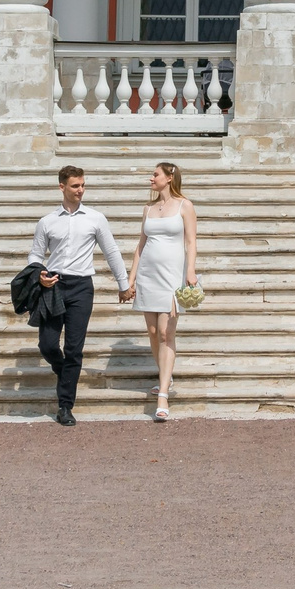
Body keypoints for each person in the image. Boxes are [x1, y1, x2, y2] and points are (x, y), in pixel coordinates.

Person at [28, 165, 132, 425]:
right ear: (61, 186)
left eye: (83, 185)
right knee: (47, 345)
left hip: (82, 287)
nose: (80, 190)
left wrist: (123, 283)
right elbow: (35, 255)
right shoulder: (47, 222)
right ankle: (66, 373)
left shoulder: (95, 218)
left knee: (74, 349)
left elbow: (111, 251)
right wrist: (39, 274)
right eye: (75, 186)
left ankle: (65, 406)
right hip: (53, 285)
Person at [128, 161, 201, 422]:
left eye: (155, 174)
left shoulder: (185, 205)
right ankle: (164, 377)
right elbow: (140, 245)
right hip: (148, 274)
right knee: (151, 332)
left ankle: (163, 396)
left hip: (172, 275)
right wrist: (131, 278)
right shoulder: (148, 208)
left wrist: (190, 270)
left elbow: (191, 241)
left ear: (169, 177)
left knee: (165, 332)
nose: (151, 178)